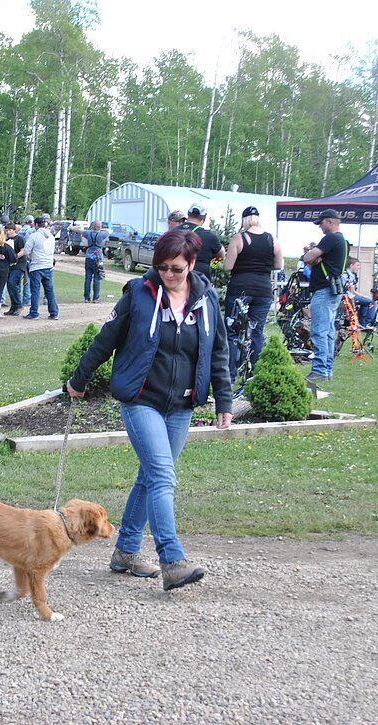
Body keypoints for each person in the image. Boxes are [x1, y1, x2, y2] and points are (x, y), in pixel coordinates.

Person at [66, 229, 232, 591]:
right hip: (140, 400)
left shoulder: (206, 300)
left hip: (181, 405)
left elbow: (217, 351)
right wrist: (79, 380)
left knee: (149, 477)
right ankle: (172, 560)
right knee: (162, 476)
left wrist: (224, 400)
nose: (168, 275)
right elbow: (105, 339)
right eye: (161, 268)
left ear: (191, 264)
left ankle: (124, 552)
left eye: (176, 268)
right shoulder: (139, 294)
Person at [222, 205, 283, 378]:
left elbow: (228, 267)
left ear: (244, 220)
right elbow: (278, 265)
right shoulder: (272, 239)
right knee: (256, 331)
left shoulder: (239, 238)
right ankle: (255, 372)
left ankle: (230, 373)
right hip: (264, 289)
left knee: (232, 330)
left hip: (240, 289)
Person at [302, 209, 348, 383]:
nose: (320, 227)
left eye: (321, 223)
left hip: (324, 290)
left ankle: (319, 370)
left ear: (330, 221)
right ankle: (327, 369)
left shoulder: (331, 238)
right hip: (332, 290)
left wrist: (313, 256)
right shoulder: (341, 239)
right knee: (328, 332)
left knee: (319, 332)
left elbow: (308, 257)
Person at [19, 214, 59, 320]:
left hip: (36, 265)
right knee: (49, 290)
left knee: (35, 290)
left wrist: (31, 256)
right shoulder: (51, 236)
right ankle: (54, 312)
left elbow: (26, 250)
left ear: (36, 225)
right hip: (48, 265)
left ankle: (34, 312)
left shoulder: (34, 236)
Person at [179, 203, 223, 280]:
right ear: (204, 217)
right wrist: (213, 262)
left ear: (188, 214)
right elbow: (221, 255)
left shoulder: (171, 232)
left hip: (176, 276)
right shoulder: (209, 236)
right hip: (200, 279)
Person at [5, 217, 32, 316]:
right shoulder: (7, 240)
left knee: (12, 283)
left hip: (19, 264)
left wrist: (14, 257)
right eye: (7, 230)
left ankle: (18, 305)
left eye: (10, 230)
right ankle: (14, 306)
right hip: (10, 266)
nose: (8, 232)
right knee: (10, 285)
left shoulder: (19, 238)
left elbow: (23, 251)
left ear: (14, 230)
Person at [342, 260, 376, 327]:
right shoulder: (345, 275)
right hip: (346, 297)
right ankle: (365, 323)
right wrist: (363, 296)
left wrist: (364, 296)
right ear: (351, 265)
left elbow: (353, 291)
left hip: (350, 296)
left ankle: (362, 322)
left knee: (367, 302)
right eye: (357, 265)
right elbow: (351, 290)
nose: (359, 267)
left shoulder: (352, 275)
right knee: (370, 302)